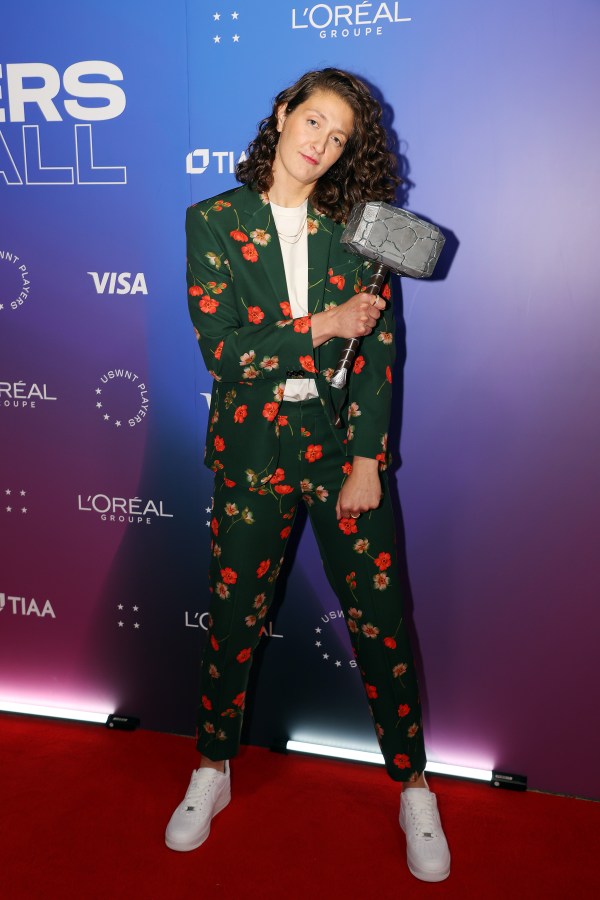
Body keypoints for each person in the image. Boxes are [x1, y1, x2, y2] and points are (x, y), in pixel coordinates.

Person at [166, 67, 450, 883]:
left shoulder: (364, 230)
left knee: (384, 623)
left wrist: (367, 460)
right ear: (284, 113)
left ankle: (413, 785)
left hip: (340, 455)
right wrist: (321, 325)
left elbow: (381, 352)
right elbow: (222, 350)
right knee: (231, 619)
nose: (320, 145)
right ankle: (211, 771)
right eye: (313, 122)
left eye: (338, 139)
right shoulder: (212, 221)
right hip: (253, 457)